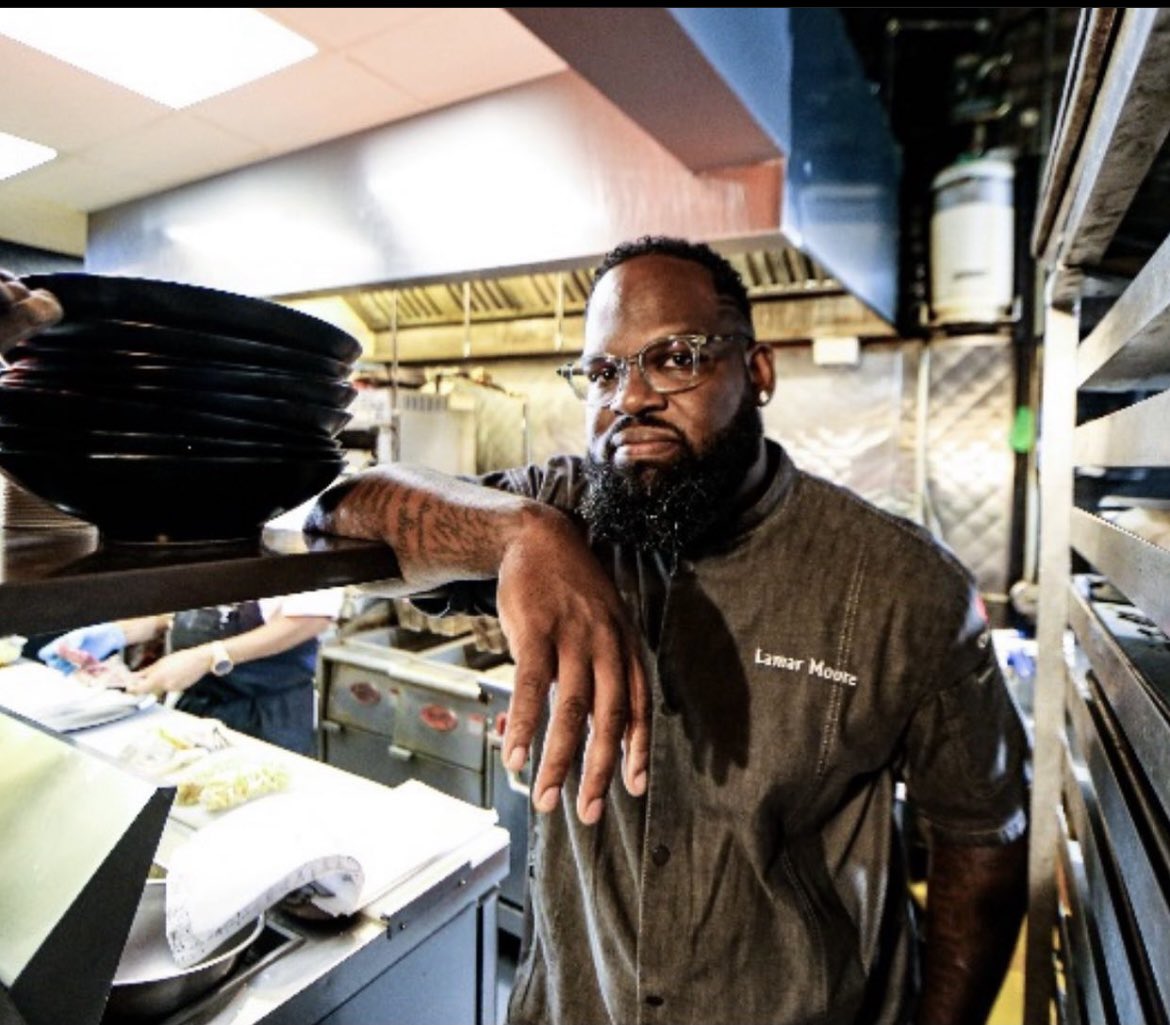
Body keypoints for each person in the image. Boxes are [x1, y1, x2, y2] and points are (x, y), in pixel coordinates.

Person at [3, 239, 1030, 1024]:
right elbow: (338, 507)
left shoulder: (904, 587)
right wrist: (524, 529)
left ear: (756, 371)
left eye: (674, 358)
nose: (630, 400)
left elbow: (984, 839)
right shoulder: (570, 505)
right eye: (602, 373)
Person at [37, 590, 344, 755]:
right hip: (196, 708)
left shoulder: (296, 518)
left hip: (267, 715)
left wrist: (209, 656)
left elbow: (310, 619)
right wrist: (119, 632)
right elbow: (181, 611)